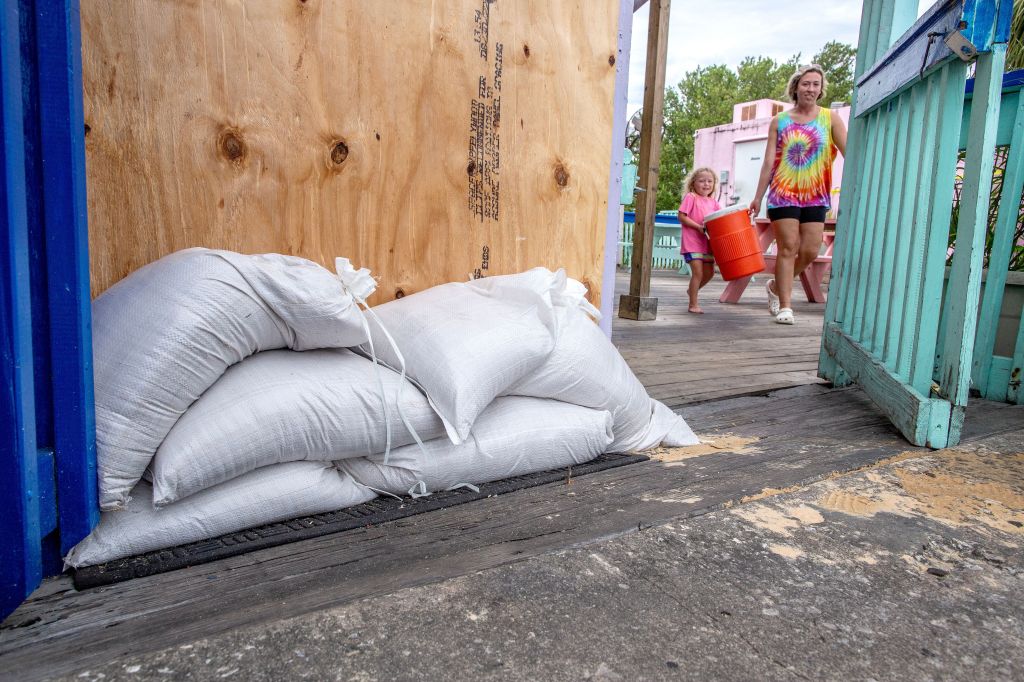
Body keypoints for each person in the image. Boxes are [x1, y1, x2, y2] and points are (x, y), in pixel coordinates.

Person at [749, 64, 847, 325]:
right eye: (806, 84)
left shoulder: (830, 118)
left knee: (811, 250)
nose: (811, 89)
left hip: (816, 194)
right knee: (788, 247)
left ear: (821, 89)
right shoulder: (779, 121)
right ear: (796, 87)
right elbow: (769, 162)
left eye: (816, 84)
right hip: (783, 193)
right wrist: (758, 197)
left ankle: (775, 286)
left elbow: (851, 152)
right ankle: (785, 306)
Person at [678, 167, 721, 314]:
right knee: (698, 273)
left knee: (709, 273)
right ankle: (693, 304)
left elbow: (720, 219)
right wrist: (698, 227)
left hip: (708, 244)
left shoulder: (713, 202)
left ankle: (692, 291)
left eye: (710, 181)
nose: (706, 184)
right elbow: (682, 216)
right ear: (693, 183)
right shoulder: (691, 197)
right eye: (702, 181)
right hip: (692, 242)